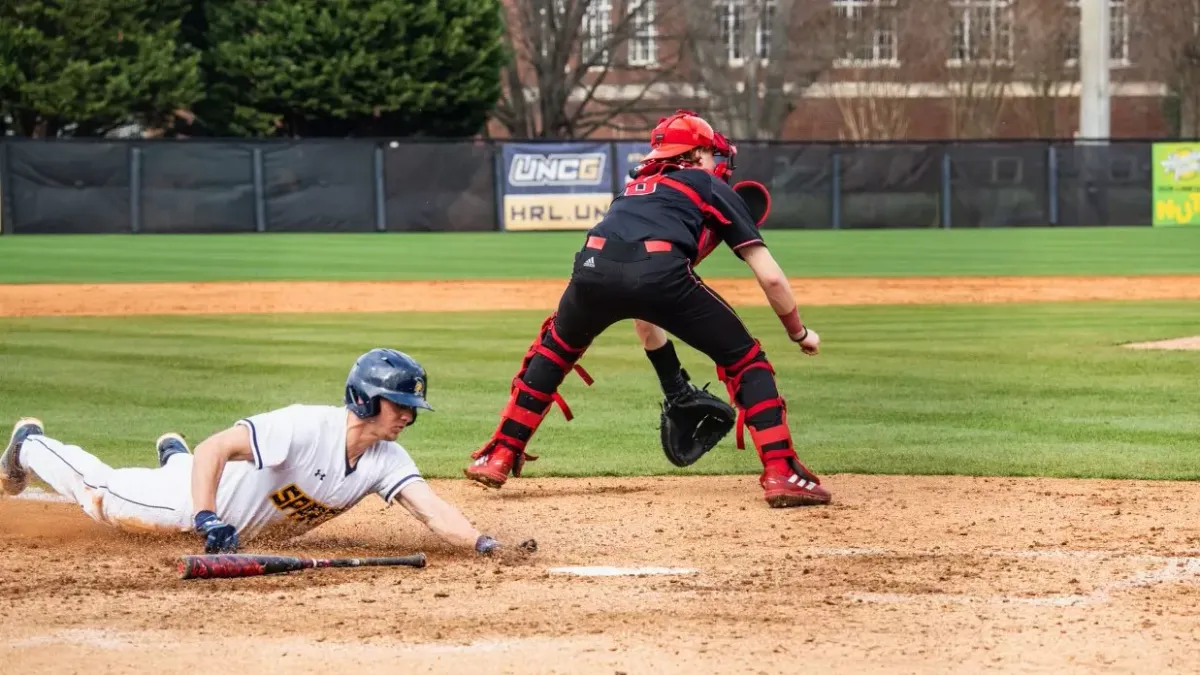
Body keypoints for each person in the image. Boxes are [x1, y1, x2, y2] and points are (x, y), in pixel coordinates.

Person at [465, 110, 831, 508]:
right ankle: (781, 471)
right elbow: (771, 278)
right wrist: (798, 332)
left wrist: (673, 384)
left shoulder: (632, 191)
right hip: (660, 273)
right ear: (694, 155)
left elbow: (642, 311)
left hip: (590, 268)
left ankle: (499, 454)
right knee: (745, 361)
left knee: (553, 352)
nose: (717, 164)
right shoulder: (707, 185)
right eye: (711, 155)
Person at [1, 348, 518, 556]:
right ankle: (32, 447)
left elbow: (434, 511)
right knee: (102, 497)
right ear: (366, 399)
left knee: (202, 466)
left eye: (411, 407)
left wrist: (483, 543)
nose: (407, 415)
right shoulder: (301, 426)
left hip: (221, 495)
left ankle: (173, 459)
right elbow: (217, 447)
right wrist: (205, 518)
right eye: (398, 405)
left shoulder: (386, 460)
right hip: (186, 506)